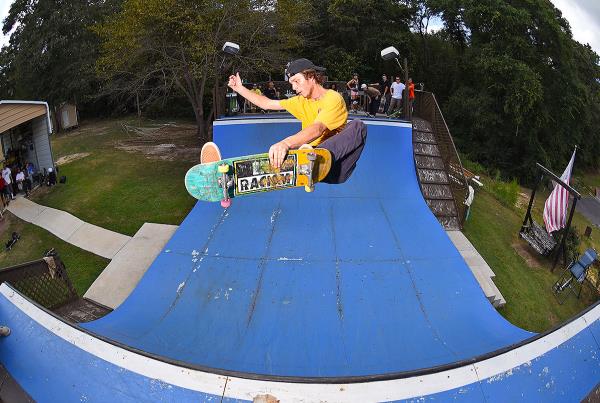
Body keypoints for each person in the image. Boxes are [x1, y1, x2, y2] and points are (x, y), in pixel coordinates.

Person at [201, 58, 367, 184]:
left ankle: (312, 158)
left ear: (311, 77)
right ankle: (226, 179)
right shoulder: (299, 101)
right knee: (280, 154)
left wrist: (286, 143)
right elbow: (266, 103)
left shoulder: (333, 98)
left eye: (297, 81)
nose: (294, 87)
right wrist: (239, 88)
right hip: (308, 160)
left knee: (358, 126)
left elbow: (318, 128)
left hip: (337, 165)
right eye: (291, 83)